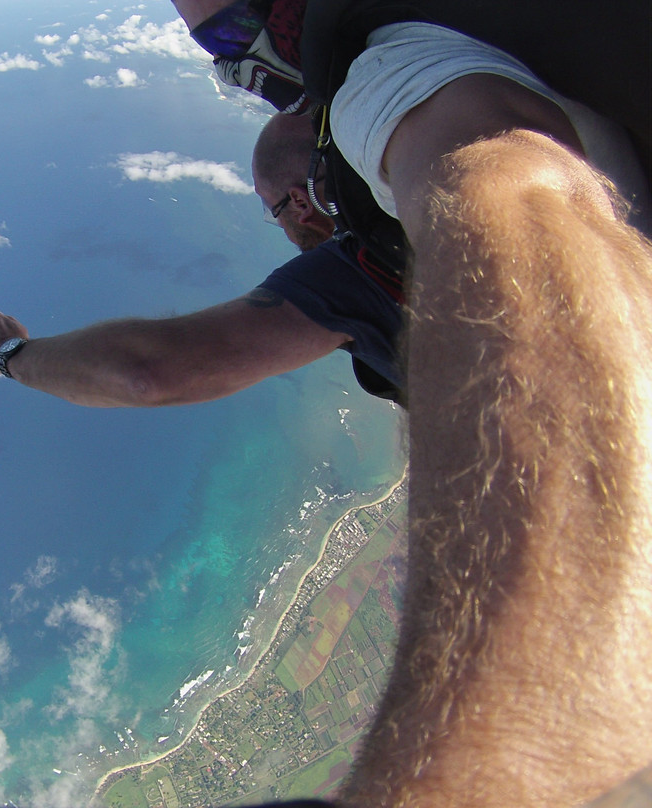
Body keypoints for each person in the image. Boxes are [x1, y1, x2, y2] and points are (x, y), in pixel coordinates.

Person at [170, 2, 652, 807]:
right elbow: (171, 363)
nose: (237, 76)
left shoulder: (374, 83)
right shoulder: (356, 250)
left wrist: (522, 733)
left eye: (229, 39)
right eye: (219, 59)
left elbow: (509, 191)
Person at [0, 111, 405, 406]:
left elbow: (148, 373)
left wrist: (5, 352)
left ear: (301, 202)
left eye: (277, 212)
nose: (284, 226)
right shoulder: (442, 163)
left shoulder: (352, 271)